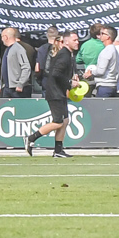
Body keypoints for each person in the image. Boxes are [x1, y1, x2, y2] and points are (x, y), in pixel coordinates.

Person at [24, 29, 78, 157]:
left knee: (64, 121)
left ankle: (58, 150)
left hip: (59, 91)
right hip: (54, 92)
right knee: (58, 121)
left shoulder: (67, 54)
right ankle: (31, 138)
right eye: (74, 40)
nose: (77, 42)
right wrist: (70, 83)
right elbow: (56, 73)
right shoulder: (64, 54)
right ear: (65, 41)